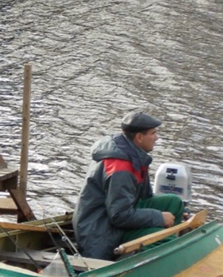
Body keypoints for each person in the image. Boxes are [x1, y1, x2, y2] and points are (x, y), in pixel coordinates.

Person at [71, 111, 186, 260]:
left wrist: (163, 215)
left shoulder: (133, 155)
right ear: (139, 137)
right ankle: (145, 258)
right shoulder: (121, 169)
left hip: (113, 218)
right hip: (102, 232)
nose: (156, 138)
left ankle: (163, 244)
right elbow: (119, 216)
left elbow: (143, 197)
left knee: (173, 203)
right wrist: (158, 217)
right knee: (165, 240)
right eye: (153, 133)